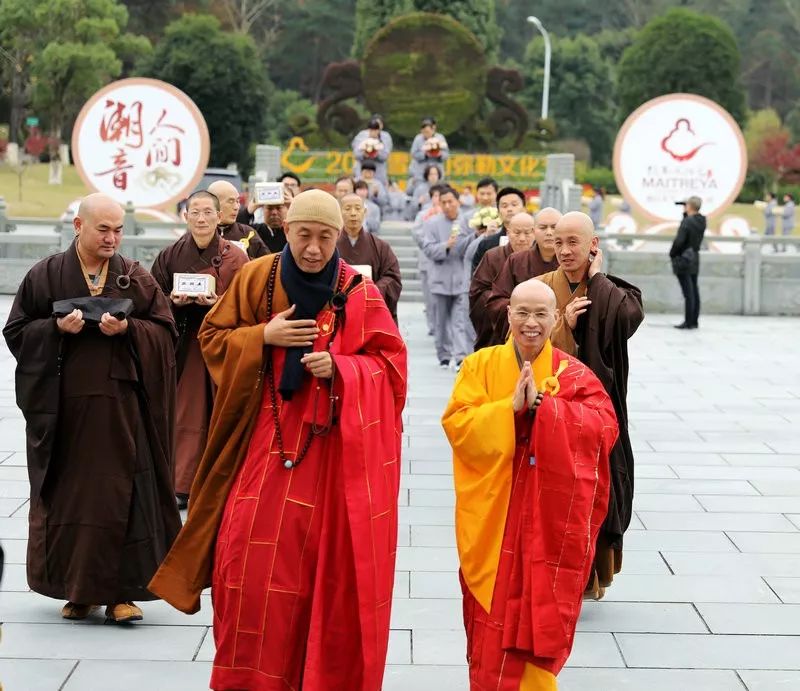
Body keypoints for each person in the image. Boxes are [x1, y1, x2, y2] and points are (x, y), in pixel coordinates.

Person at [149, 189, 408, 691]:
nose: (313, 248)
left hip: (330, 448)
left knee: (323, 577)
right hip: (265, 435)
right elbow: (212, 338)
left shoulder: (359, 291)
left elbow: (392, 367)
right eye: (304, 235)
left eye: (325, 238)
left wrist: (344, 368)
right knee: (245, 565)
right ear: (287, 230)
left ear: (339, 239)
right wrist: (262, 337)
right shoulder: (257, 276)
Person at [3, 193, 181, 623]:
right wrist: (54, 329)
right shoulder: (46, 275)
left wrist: (129, 330)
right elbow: (16, 330)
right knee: (72, 498)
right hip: (66, 410)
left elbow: (164, 330)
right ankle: (76, 590)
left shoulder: (134, 277)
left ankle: (121, 594)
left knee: (125, 496)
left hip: (123, 411)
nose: (113, 238)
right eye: (103, 229)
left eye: (118, 229)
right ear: (79, 226)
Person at [442, 278, 618, 690]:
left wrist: (547, 408)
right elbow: (458, 425)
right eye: (522, 312)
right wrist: (510, 409)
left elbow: (604, 428)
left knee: (538, 622)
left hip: (546, 526)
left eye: (541, 313)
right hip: (493, 520)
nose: (531, 323)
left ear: (556, 319)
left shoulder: (572, 374)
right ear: (508, 315)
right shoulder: (480, 366)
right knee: (490, 628)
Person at [538, 211, 643, 600]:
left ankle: (592, 575)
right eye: (557, 242)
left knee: (598, 492)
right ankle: (557, 577)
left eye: (573, 242)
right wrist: (561, 324)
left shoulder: (610, 290)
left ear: (592, 245)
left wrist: (597, 280)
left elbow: (630, 317)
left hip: (599, 415)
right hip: (552, 411)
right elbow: (517, 340)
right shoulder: (539, 289)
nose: (563, 250)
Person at [151, 191, 249, 510]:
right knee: (187, 412)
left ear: (220, 217)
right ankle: (183, 483)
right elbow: (152, 300)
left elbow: (248, 304)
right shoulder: (170, 255)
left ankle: (223, 480)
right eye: (196, 212)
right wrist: (173, 302)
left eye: (208, 212)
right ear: (185, 216)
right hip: (186, 344)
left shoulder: (237, 257)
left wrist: (218, 304)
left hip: (223, 345)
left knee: (223, 412)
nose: (202, 218)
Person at [485, 207, 562, 344]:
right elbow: (496, 301)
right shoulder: (516, 260)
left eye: (554, 227)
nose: (549, 233)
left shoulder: (570, 262)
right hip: (522, 335)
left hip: (560, 337)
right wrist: (523, 310)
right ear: (534, 231)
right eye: (543, 228)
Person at [469, 212, 536, 350]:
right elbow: (478, 292)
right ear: (508, 232)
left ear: (535, 233)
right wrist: (506, 306)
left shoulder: (541, 258)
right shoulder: (492, 256)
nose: (522, 238)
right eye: (517, 233)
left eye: (527, 233)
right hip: (497, 329)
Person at [422, 186, 472, 369]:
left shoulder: (467, 221)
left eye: (451, 201)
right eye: (444, 202)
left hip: (461, 279)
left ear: (458, 202)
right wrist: (446, 246)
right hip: (440, 279)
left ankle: (460, 355)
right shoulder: (432, 224)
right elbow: (427, 249)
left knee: (460, 320)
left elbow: (471, 246)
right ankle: (443, 354)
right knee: (440, 321)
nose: (448, 205)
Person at [337, 192, 402, 321]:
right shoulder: (330, 245)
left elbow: (393, 277)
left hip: (371, 310)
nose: (353, 213)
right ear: (339, 212)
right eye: (348, 209)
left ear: (365, 212)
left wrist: (372, 291)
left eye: (357, 208)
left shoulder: (381, 246)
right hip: (339, 310)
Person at [412, 183, 446, 336]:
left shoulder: (449, 214)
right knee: (429, 296)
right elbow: (417, 233)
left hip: (445, 260)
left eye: (441, 196)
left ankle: (443, 327)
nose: (438, 199)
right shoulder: (423, 214)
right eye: (436, 196)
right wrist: (429, 244)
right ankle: (433, 325)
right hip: (427, 259)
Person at [669, 196, 706, 330]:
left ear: (689, 206)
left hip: (684, 258)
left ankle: (688, 322)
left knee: (688, 293)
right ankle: (694, 320)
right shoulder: (701, 221)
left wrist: (672, 253)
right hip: (694, 257)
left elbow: (679, 241)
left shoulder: (687, 222)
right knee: (694, 290)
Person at [471, 187, 526, 274]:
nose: (509, 209)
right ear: (499, 212)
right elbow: (478, 279)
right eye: (504, 206)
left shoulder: (535, 242)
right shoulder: (487, 244)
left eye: (514, 204)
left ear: (524, 209)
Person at [208, 180, 268, 259]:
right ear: (213, 203)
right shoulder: (199, 233)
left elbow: (267, 264)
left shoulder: (248, 234)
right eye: (231, 201)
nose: (236, 207)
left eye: (237, 201)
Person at [247, 185, 296, 254]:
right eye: (269, 208)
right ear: (263, 209)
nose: (274, 213)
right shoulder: (253, 231)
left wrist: (296, 206)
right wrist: (248, 211)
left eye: (279, 208)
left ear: (288, 208)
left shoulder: (294, 231)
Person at [352, 114, 393, 186]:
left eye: (378, 124)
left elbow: (385, 155)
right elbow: (356, 153)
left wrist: (376, 153)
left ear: (382, 125)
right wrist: (364, 153)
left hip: (379, 171)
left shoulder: (386, 137)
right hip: (362, 169)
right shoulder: (361, 135)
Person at [409, 116, 449, 184]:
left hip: (437, 174)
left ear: (433, 129)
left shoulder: (440, 138)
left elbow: (446, 155)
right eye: (423, 132)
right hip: (421, 174)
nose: (425, 134)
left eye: (427, 132)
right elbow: (413, 154)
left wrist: (439, 154)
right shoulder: (418, 139)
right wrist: (425, 154)